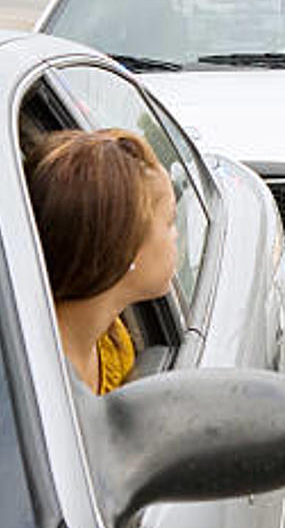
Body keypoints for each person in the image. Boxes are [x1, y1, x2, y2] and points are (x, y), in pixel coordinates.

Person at [25, 128, 178, 395]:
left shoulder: (112, 340)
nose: (176, 235)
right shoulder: (39, 380)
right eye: (169, 222)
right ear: (126, 248)